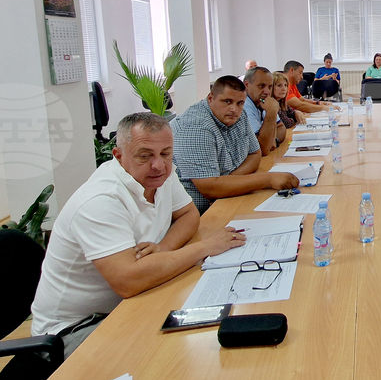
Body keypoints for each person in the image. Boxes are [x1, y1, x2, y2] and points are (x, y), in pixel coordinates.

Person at [31, 113, 247, 358]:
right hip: (74, 329)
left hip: (133, 301)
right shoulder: (101, 200)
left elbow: (188, 214)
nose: (159, 165)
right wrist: (205, 247)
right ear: (118, 156)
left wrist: (164, 248)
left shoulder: (159, 174)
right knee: (173, 356)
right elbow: (128, 281)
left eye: (166, 153)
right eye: (145, 156)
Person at [170, 75, 298, 214]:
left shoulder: (238, 115)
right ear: (210, 98)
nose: (234, 109)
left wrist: (228, 182)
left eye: (240, 103)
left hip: (225, 198)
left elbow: (255, 154)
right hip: (200, 213)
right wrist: (269, 179)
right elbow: (209, 188)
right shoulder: (196, 127)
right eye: (227, 101)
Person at [243, 66, 287, 155]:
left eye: (270, 87)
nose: (267, 92)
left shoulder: (264, 101)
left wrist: (273, 140)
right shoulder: (243, 106)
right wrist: (271, 112)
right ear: (247, 85)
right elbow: (262, 149)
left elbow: (281, 128)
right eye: (261, 86)